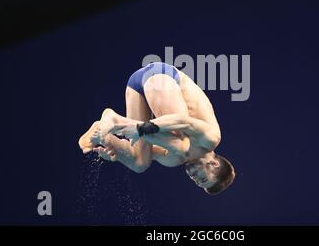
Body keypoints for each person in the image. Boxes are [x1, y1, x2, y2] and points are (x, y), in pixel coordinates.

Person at [78, 62, 235, 195]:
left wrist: (115, 152)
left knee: (140, 162)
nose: (194, 178)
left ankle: (103, 133)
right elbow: (182, 121)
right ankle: (115, 121)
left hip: (135, 89)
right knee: (182, 143)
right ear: (214, 164)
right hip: (162, 77)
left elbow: (137, 147)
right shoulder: (211, 138)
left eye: (196, 183)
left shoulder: (173, 159)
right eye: (203, 178)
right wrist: (139, 129)